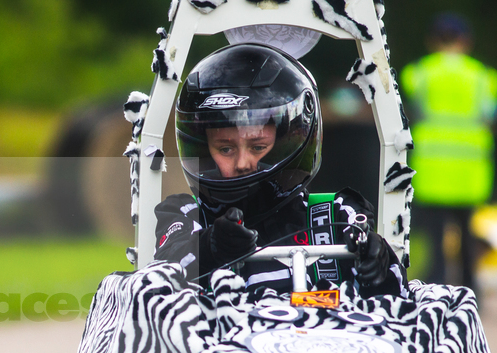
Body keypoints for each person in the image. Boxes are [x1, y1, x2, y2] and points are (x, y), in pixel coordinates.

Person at [154, 43, 407, 297]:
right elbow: (159, 274)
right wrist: (211, 247)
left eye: (258, 146)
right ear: (205, 151)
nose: (243, 163)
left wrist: (379, 265)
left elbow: (396, 305)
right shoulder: (186, 215)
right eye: (226, 150)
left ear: (288, 142)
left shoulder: (336, 215)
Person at [400, 13, 497, 294]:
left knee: (433, 239)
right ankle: (472, 294)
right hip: (470, 172)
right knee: (468, 237)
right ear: (466, 41)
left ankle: (435, 293)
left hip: (431, 170)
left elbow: (410, 114)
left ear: (432, 40)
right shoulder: (483, 77)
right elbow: (490, 119)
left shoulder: (418, 74)